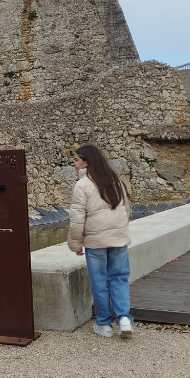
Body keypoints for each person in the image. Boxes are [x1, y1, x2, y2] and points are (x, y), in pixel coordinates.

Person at [67, 144, 134, 339]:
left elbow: (77, 219)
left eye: (76, 160)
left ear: (86, 161)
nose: (74, 164)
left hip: (95, 241)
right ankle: (124, 319)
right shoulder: (116, 180)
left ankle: (104, 324)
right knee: (120, 278)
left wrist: (75, 244)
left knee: (99, 281)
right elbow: (126, 211)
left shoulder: (82, 185)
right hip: (119, 239)